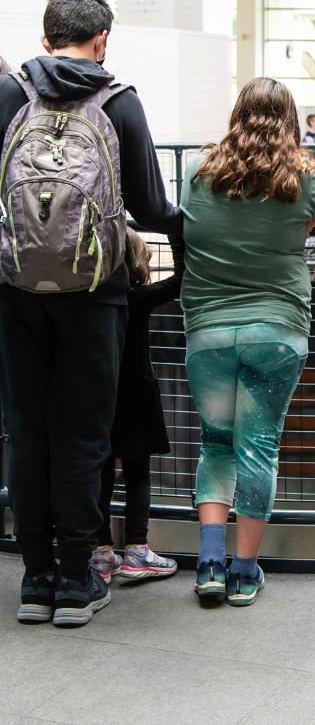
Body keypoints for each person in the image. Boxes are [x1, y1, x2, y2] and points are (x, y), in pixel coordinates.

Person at [0, 0, 181, 627]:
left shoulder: (11, 94)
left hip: (17, 291)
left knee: (28, 435)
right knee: (83, 437)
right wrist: (187, 232)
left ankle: (36, 580)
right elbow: (152, 208)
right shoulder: (119, 100)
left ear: (45, 38)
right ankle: (77, 582)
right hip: (97, 294)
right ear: (101, 39)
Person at [180, 77, 315, 607]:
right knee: (258, 448)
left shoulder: (198, 169)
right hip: (277, 331)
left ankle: (208, 564)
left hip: (208, 330)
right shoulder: (300, 174)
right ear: (291, 121)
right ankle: (244, 572)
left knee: (216, 444)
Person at [91, 227, 183, 584]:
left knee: (100, 472)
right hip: (137, 393)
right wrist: (176, 232)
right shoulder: (139, 298)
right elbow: (180, 279)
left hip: (100, 394)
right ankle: (137, 550)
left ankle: (100, 553)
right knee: (138, 474)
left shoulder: (93, 298)